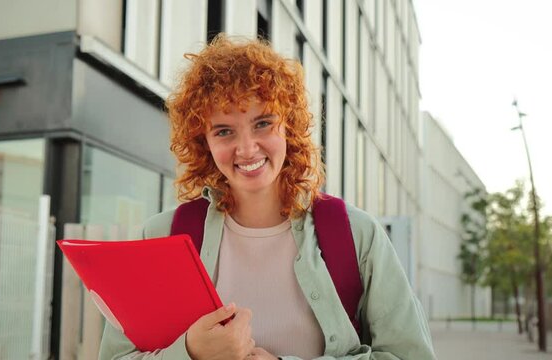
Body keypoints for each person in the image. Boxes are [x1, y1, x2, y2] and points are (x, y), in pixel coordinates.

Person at [99, 34, 436, 360]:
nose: (246, 149)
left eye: (262, 123)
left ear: (288, 126)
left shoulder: (357, 235)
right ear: (205, 142)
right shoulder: (160, 237)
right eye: (224, 131)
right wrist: (190, 353)